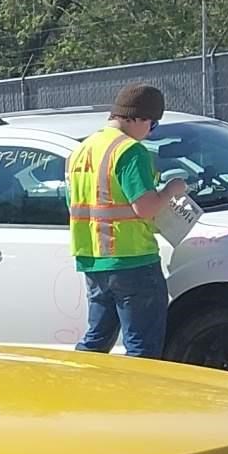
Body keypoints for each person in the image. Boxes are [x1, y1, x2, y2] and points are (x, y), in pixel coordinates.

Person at [67, 82, 189, 357]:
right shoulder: (130, 151)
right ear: (140, 118)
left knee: (96, 341)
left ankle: (79, 389)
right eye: (152, 125)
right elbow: (145, 208)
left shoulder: (81, 151)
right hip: (133, 260)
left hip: (93, 259)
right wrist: (171, 190)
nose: (149, 133)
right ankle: (138, 399)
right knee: (142, 348)